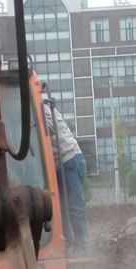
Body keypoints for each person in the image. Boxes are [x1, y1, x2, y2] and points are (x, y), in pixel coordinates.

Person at [43, 99, 88, 254]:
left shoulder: (40, 106)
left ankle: (81, 246)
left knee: (74, 206)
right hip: (61, 163)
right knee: (61, 207)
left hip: (69, 159)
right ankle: (67, 243)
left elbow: (50, 128)